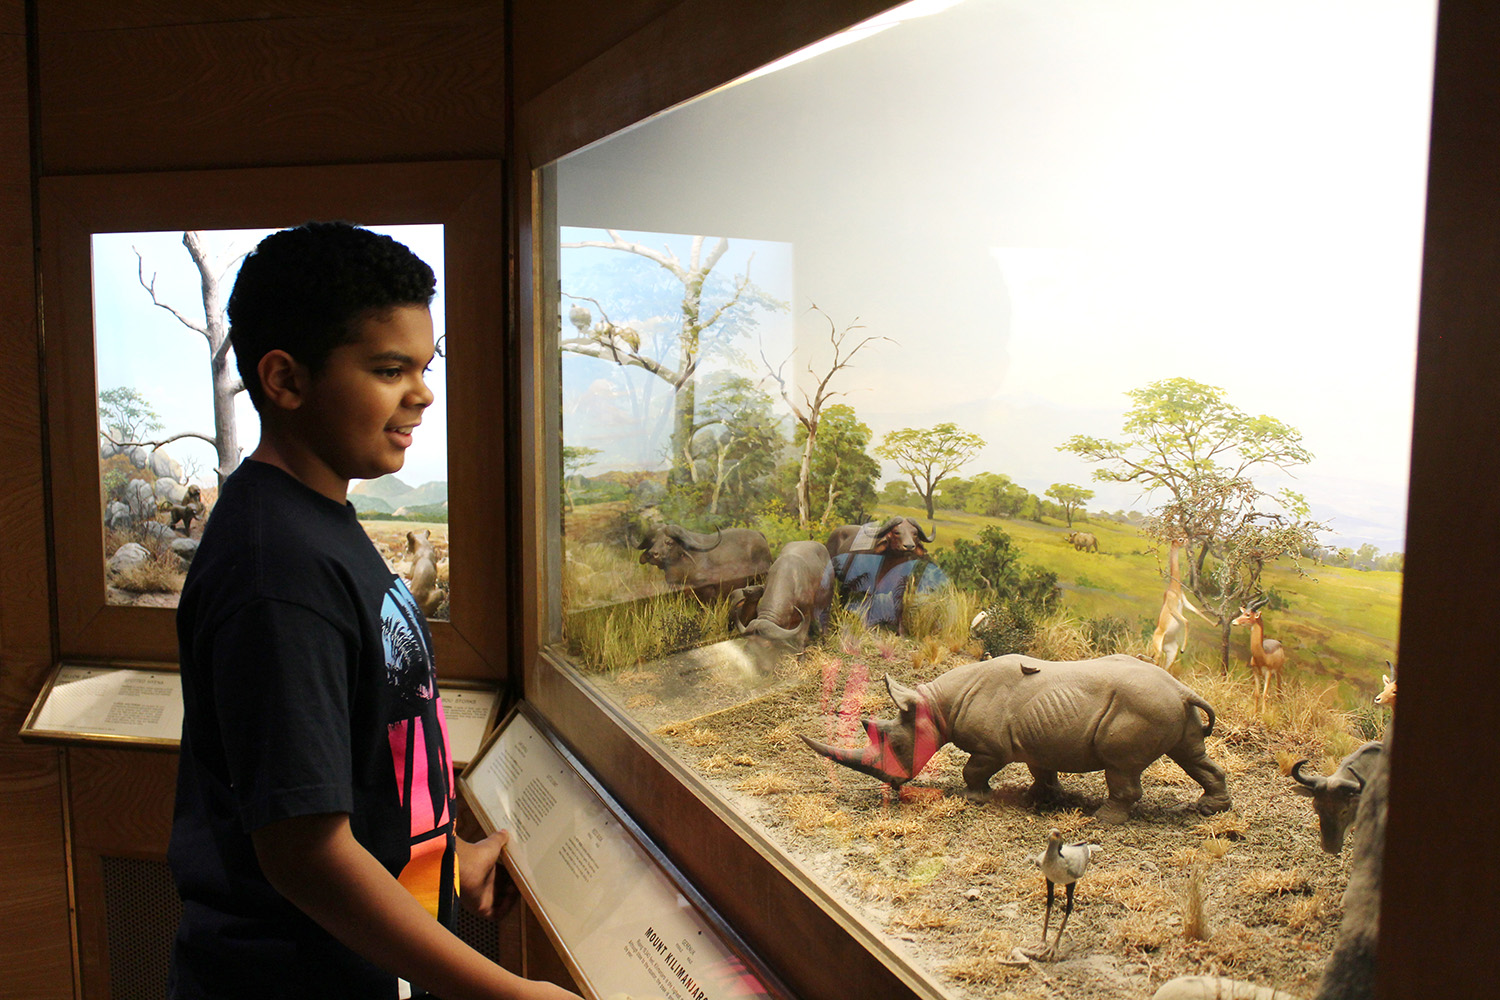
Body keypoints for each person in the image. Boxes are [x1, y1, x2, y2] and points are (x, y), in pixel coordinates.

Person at [167, 222, 579, 1000]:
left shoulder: (317, 524)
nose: (422, 393)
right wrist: (504, 991)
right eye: (391, 369)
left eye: (424, 367)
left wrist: (445, 860)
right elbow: (305, 850)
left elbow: (361, 756)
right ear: (285, 380)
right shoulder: (276, 568)